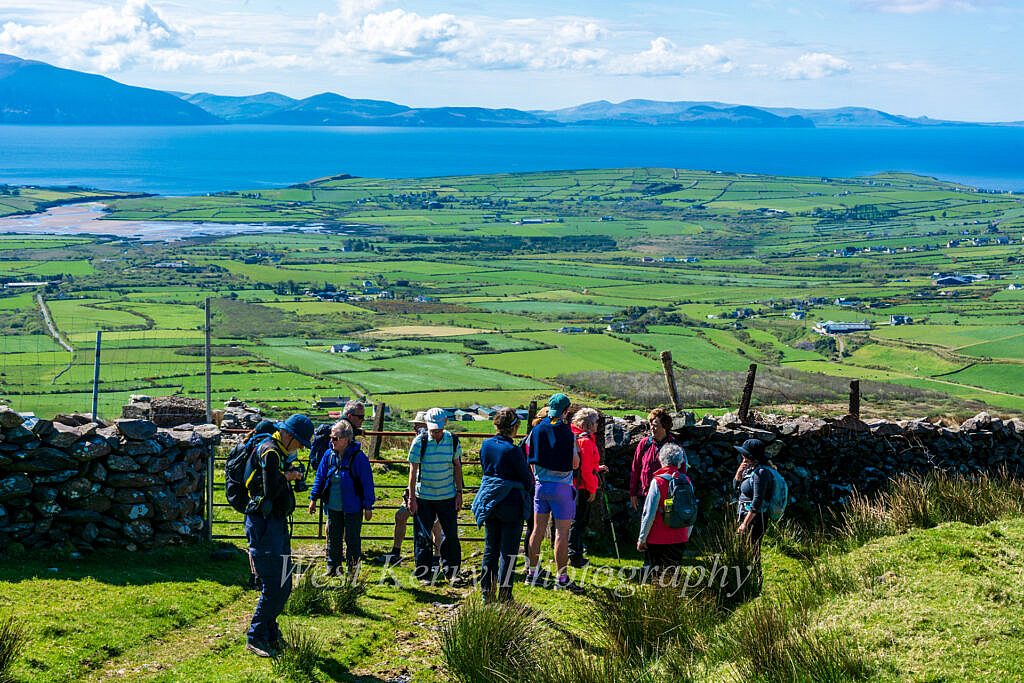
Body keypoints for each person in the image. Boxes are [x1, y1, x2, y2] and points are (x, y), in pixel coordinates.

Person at [244, 413, 313, 658]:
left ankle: (270, 633)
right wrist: (291, 476)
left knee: (282, 584)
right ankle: (256, 636)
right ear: (288, 435)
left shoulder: (278, 452)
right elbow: (270, 489)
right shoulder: (270, 452)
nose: (300, 448)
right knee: (275, 584)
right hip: (264, 525)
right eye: (300, 443)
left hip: (274, 523)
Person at [472, 408, 533, 603]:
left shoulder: (486, 445)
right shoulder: (513, 450)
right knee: (508, 553)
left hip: (490, 501)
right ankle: (505, 595)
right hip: (511, 504)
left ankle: (486, 593)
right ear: (514, 427)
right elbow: (526, 478)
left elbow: (485, 468)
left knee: (490, 549)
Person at [525, 393, 584, 593]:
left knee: (537, 530)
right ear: (566, 411)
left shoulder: (536, 430)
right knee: (561, 533)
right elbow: (575, 463)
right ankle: (562, 577)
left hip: (541, 487)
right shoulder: (569, 434)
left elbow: (531, 460)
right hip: (562, 488)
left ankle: (531, 573)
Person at [371, 411, 443, 566]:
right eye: (416, 426)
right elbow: (414, 471)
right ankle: (398, 552)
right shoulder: (421, 442)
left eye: (417, 425)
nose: (415, 428)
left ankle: (436, 557)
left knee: (434, 523)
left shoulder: (430, 443)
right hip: (419, 490)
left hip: (431, 491)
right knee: (402, 516)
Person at [308, 419, 375, 577]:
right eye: (331, 437)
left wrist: (368, 506)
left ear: (346, 440)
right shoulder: (328, 455)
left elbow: (367, 483)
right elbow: (320, 477)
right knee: (333, 537)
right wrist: (313, 499)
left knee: (352, 540)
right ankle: (333, 568)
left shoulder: (359, 458)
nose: (331, 441)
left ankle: (353, 571)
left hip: (353, 507)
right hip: (333, 505)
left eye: (335, 438)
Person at [407, 407, 464, 582]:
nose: (436, 433)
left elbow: (457, 467)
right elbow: (412, 470)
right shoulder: (419, 442)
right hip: (423, 496)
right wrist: (411, 498)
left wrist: (460, 493)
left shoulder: (453, 441)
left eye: (438, 430)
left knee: (451, 535)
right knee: (422, 536)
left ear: (445, 424)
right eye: (433, 430)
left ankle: (451, 573)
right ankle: (424, 573)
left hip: (447, 495)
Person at [636, 443, 692, 576]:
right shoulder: (686, 481)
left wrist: (642, 538)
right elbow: (691, 510)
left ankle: (660, 596)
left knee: (657, 576)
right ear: (680, 462)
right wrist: (686, 535)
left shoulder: (658, 481)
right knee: (673, 575)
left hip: (657, 538)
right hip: (680, 536)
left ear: (661, 460)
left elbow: (649, 513)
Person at [568, 407, 606, 568]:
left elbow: (588, 465)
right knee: (579, 521)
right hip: (582, 487)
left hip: (575, 485)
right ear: (590, 424)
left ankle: (574, 552)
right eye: (596, 422)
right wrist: (592, 489)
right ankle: (574, 555)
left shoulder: (577, 438)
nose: (598, 425)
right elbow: (585, 469)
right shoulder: (586, 441)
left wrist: (598, 468)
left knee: (577, 520)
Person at [629, 408, 676, 511]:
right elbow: (635, 468)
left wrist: (671, 502)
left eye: (655, 425)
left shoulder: (674, 446)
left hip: (667, 497)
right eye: (651, 425)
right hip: (645, 495)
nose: (651, 428)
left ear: (664, 427)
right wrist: (633, 493)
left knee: (666, 524)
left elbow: (680, 473)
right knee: (646, 524)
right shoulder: (644, 444)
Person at [734, 438, 774, 559]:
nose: (742, 456)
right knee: (744, 553)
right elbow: (736, 488)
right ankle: (745, 577)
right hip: (745, 514)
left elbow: (757, 500)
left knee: (752, 553)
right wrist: (738, 473)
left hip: (755, 520)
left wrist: (745, 524)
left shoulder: (761, 473)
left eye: (744, 454)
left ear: (752, 456)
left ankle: (754, 577)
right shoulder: (749, 469)